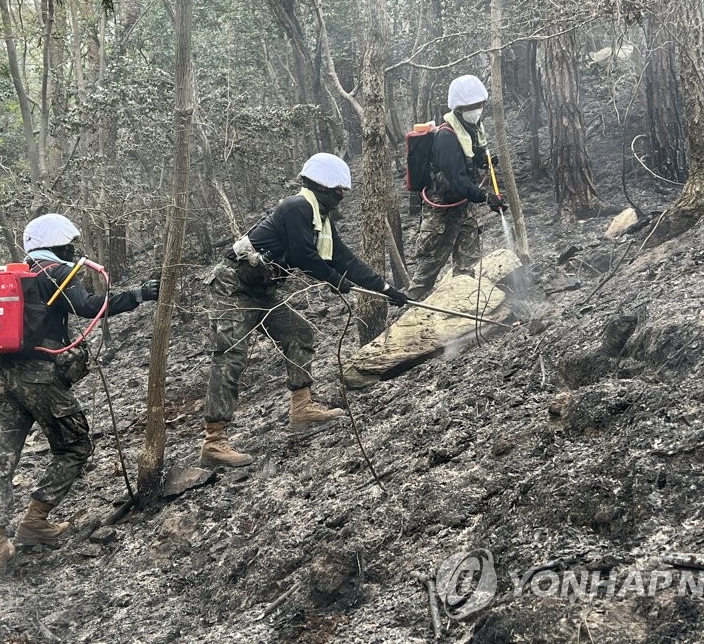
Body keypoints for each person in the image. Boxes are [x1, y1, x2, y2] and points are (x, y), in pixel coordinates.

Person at [200, 153, 409, 468]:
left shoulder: (319, 219)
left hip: (261, 290)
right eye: (339, 191)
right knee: (231, 358)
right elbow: (304, 255)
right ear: (324, 187)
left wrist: (384, 289)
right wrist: (336, 282)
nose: (341, 198)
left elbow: (344, 259)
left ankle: (302, 408)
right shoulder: (296, 208)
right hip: (232, 288)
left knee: (299, 332)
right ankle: (214, 443)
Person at [0, 213, 159, 578]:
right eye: (69, 244)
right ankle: (35, 521)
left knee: (0, 461)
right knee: (75, 446)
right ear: (58, 244)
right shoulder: (54, 273)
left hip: (0, 376)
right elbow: (90, 307)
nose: (74, 249)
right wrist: (139, 295)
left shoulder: (16, 276)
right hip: (39, 378)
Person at [407, 74, 507, 301]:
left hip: (464, 210)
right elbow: (457, 179)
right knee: (427, 274)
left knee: (468, 267)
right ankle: (410, 313)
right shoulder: (446, 136)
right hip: (441, 213)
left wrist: (487, 160)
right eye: (471, 106)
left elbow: (472, 158)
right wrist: (486, 197)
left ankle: (467, 313)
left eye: (479, 105)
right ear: (460, 108)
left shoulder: (472, 129)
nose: (477, 109)